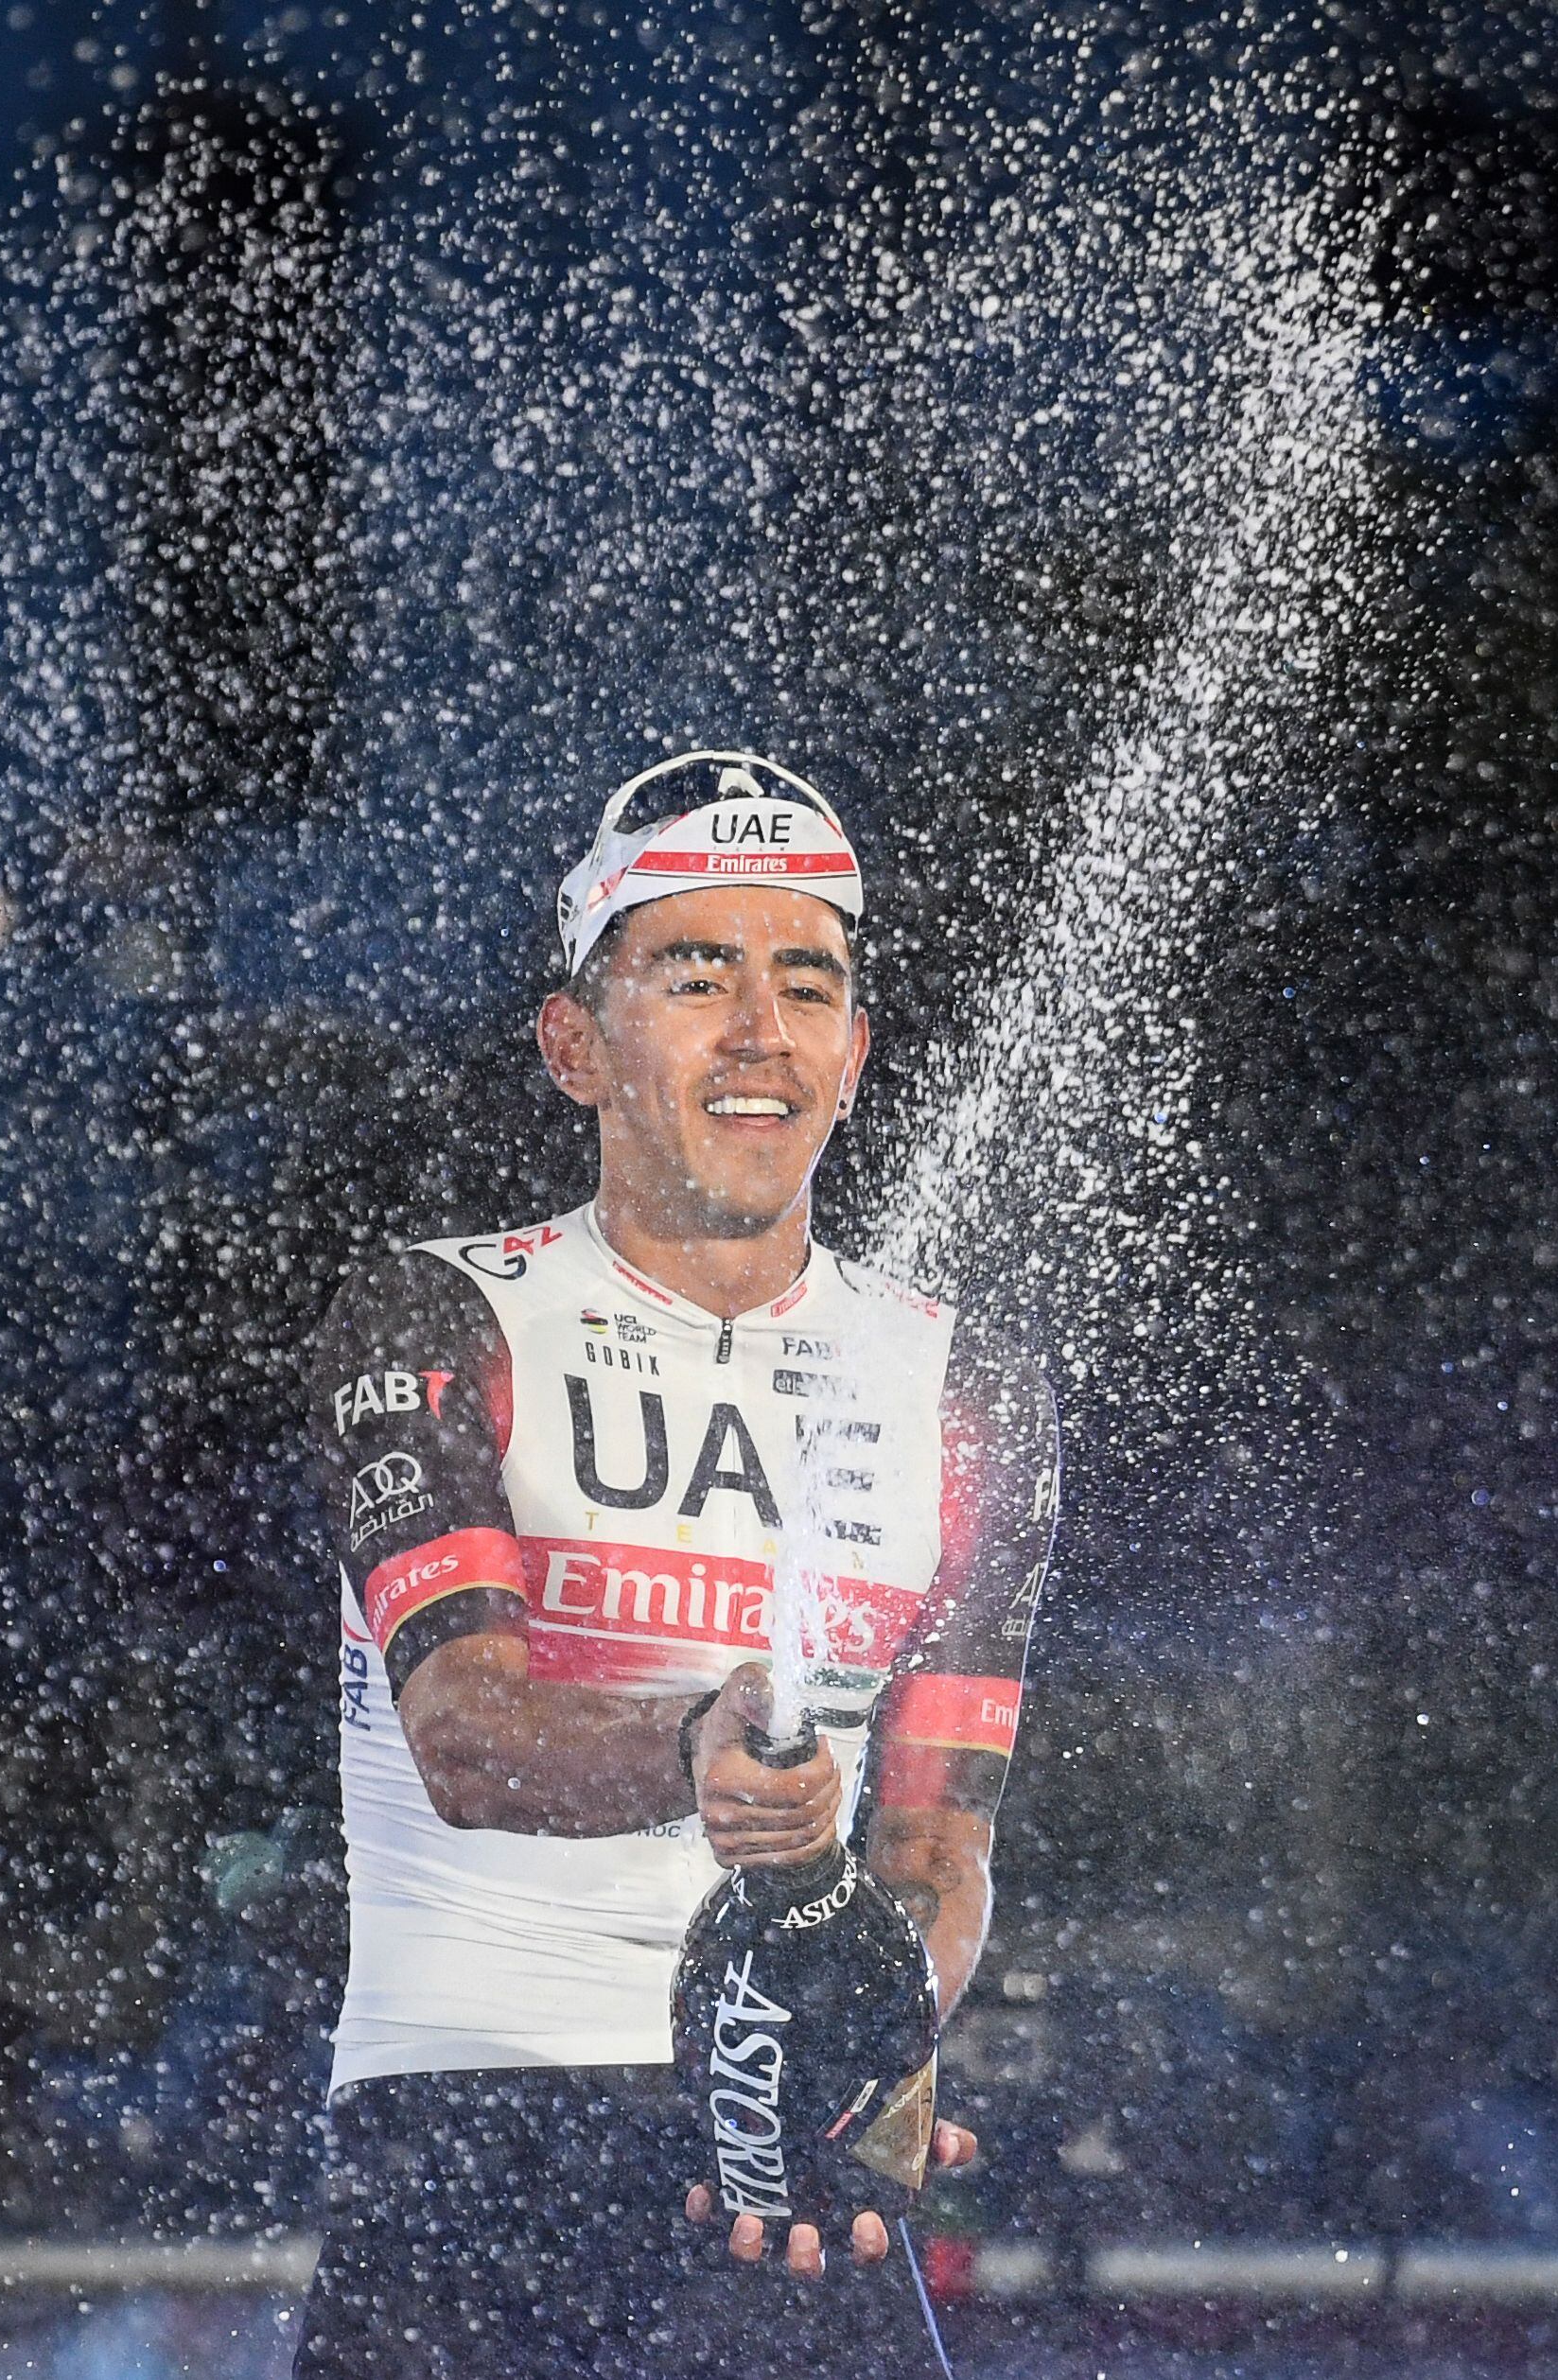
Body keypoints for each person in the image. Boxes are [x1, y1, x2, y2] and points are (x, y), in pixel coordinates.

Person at [288, 751, 1059, 2379]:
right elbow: (467, 1740)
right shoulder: (440, 1313)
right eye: (694, 974)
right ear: (575, 1042)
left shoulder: (961, 1375)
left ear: (854, 1055)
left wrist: (873, 2054)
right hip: (474, 2123)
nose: (759, 1030)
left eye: (806, 982)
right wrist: (692, 1748)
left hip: (780, 2158)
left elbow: (935, 1827)